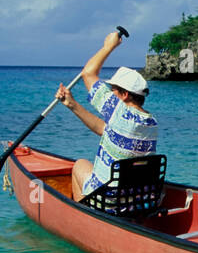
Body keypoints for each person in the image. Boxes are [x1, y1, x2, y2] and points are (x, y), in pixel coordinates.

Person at [56, 29, 158, 202]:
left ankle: (83, 216)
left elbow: (88, 73)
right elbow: (104, 129)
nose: (110, 92)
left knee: (79, 165)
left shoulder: (119, 112)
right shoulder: (151, 122)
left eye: (113, 90)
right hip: (135, 200)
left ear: (125, 95)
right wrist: (72, 105)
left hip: (109, 200)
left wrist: (108, 46)